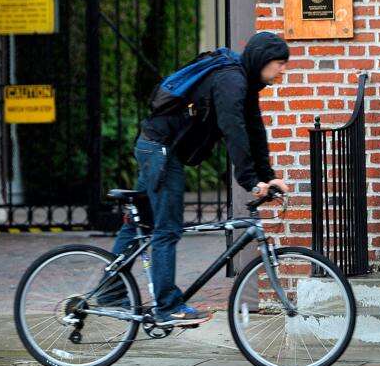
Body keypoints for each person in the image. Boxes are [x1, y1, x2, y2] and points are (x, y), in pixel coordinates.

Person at [109, 31, 291, 327]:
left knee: (140, 221)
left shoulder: (244, 82)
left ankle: (110, 290)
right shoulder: (231, 80)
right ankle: (167, 307)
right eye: (280, 63)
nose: (283, 69)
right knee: (166, 228)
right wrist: (250, 181)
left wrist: (268, 177)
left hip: (157, 147)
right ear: (262, 60)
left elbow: (254, 131)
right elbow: (233, 130)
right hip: (160, 150)